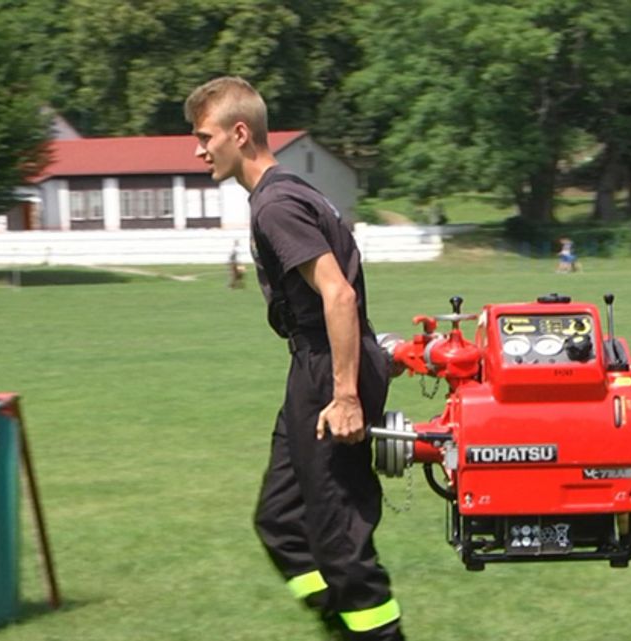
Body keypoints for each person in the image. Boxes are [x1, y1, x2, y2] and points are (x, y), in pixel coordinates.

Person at [184, 76, 404, 641]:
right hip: (314, 366)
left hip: (329, 373)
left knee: (339, 542)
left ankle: (372, 629)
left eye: (205, 136)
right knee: (281, 521)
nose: (198, 149)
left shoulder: (277, 204)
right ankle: (341, 625)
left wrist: (349, 392)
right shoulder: (288, 191)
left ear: (240, 133)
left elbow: (339, 294)